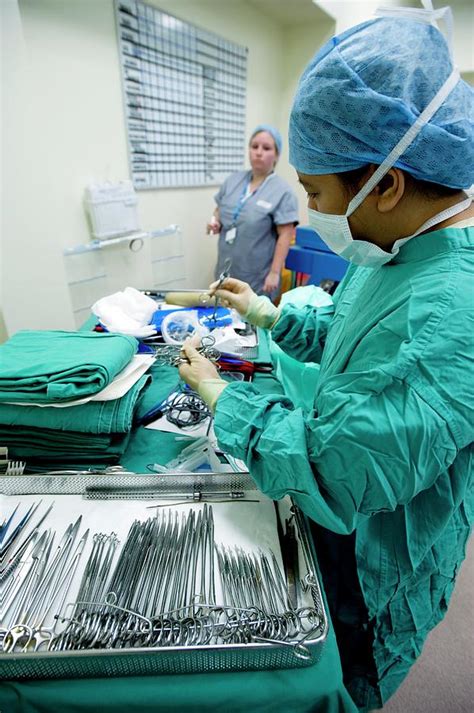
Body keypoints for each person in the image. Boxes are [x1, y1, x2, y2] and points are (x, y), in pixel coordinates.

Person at [180, 5, 473, 712]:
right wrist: (267, 313)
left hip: (375, 561)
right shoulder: (395, 250)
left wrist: (222, 395)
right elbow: (345, 330)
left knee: (344, 683)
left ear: (389, 184)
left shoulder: (456, 311)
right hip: (339, 521)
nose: (307, 209)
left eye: (314, 193)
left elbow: (334, 462)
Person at [207, 124, 299, 298]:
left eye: (266, 148)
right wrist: (215, 221)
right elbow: (219, 208)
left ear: (277, 155)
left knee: (250, 321)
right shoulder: (233, 180)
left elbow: (285, 235)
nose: (259, 152)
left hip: (257, 276)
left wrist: (274, 273)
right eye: (254, 146)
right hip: (225, 269)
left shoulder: (283, 192)